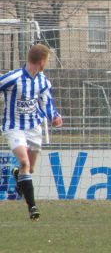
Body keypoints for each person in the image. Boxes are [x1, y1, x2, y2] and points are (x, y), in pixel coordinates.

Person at [0, 44, 63, 221]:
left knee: (30, 168)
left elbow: (46, 102)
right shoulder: (14, 77)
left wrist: (54, 116)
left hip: (34, 127)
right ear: (42, 61)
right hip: (14, 127)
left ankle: (17, 174)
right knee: (24, 162)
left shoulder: (42, 81)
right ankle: (32, 207)